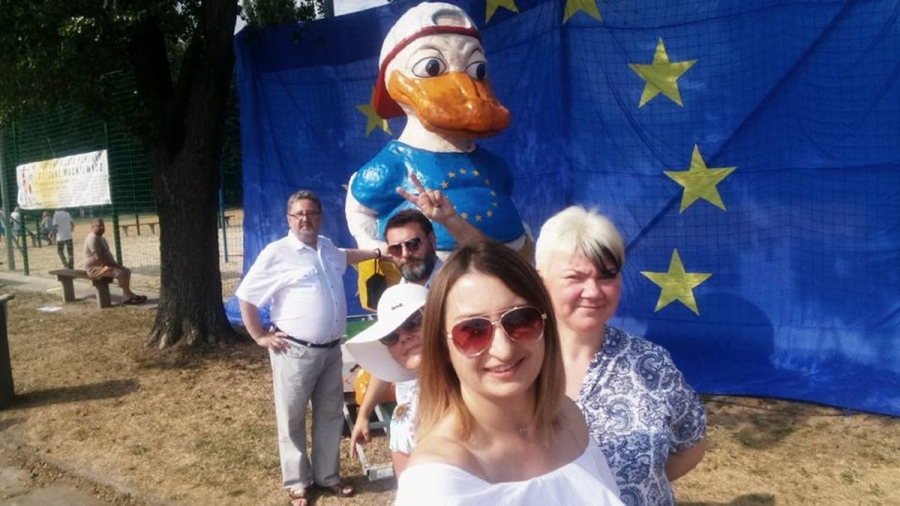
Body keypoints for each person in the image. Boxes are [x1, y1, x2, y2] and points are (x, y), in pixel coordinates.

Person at [394, 241, 624, 505]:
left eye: (520, 320)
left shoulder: (568, 417)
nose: (503, 350)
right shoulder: (435, 481)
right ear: (443, 347)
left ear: (546, 324)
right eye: (472, 331)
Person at [535, 206, 707, 506]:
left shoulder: (651, 363)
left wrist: (638, 485)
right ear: (540, 281)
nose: (593, 291)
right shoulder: (514, 363)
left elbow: (690, 445)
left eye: (606, 276)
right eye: (575, 277)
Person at [235, 190, 381, 506]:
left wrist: (378, 254)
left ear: (320, 217)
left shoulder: (326, 247)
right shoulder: (278, 253)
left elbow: (346, 255)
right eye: (299, 214)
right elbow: (246, 296)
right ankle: (298, 483)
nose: (306, 219)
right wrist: (259, 335)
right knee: (292, 419)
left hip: (331, 351)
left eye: (311, 213)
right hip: (294, 352)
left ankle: (327, 477)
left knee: (330, 415)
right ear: (288, 219)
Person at [344, 283, 427, 477]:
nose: (403, 337)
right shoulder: (404, 417)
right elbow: (407, 486)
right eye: (391, 336)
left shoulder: (479, 391)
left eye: (412, 323)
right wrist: (363, 414)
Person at [84, 218, 146, 305]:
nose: (102, 227)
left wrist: (115, 264)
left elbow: (107, 255)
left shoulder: (101, 238)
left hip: (104, 265)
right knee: (119, 273)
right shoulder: (92, 239)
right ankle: (128, 295)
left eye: (103, 225)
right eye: (99, 226)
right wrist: (113, 266)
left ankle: (127, 294)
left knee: (126, 271)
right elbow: (99, 258)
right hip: (95, 269)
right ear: (92, 226)